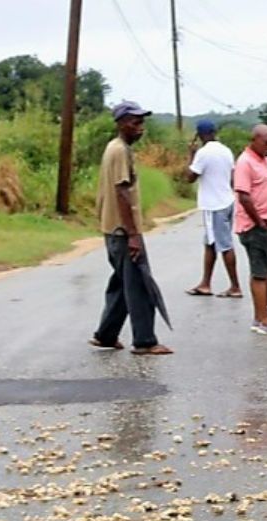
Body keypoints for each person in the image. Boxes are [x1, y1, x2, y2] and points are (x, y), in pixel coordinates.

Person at [88, 101, 172, 355]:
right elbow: (122, 192)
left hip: (112, 228)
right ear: (122, 123)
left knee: (121, 284)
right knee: (138, 284)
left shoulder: (114, 148)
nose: (141, 128)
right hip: (123, 231)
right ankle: (145, 340)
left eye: (141, 123)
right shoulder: (119, 151)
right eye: (136, 123)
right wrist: (133, 234)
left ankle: (106, 335)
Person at [233, 122, 267, 336]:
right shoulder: (245, 162)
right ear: (254, 140)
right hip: (255, 227)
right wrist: (259, 222)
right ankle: (264, 320)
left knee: (264, 272)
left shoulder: (263, 161)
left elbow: (260, 187)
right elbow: (244, 195)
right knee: (260, 274)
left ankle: (260, 315)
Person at [186, 118, 241, 298]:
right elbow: (232, 177)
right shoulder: (226, 151)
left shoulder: (203, 153)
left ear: (200, 135)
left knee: (224, 245)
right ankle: (205, 283)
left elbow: (190, 177)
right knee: (210, 243)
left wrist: (191, 155)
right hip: (227, 200)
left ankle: (235, 286)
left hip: (213, 204)